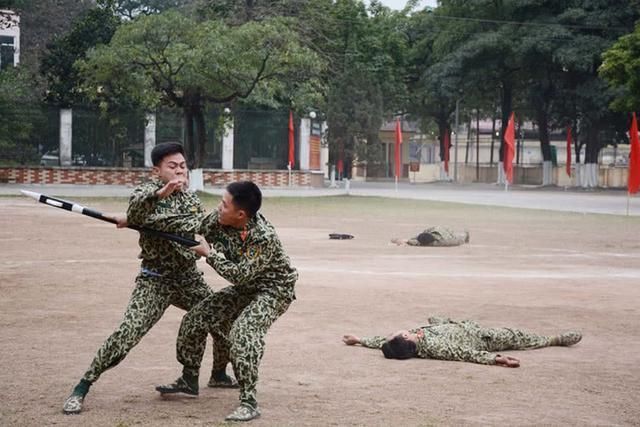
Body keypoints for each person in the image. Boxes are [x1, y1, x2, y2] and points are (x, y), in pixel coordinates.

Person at [62, 142, 233, 415]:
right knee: (127, 334)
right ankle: (83, 386)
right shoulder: (145, 192)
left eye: (183, 166)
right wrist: (150, 203)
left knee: (222, 318)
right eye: (172, 166)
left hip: (188, 277)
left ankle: (214, 375)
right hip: (155, 279)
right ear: (157, 170)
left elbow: (187, 224)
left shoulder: (190, 198)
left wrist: (134, 218)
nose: (179, 171)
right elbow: (143, 211)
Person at [146, 181, 297, 422]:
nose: (218, 207)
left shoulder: (263, 237)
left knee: (243, 333)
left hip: (273, 290)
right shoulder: (219, 219)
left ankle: (249, 401)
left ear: (240, 214)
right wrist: (139, 220)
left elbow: (240, 274)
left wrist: (210, 254)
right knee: (195, 319)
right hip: (247, 288)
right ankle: (189, 378)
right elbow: (188, 224)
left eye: (224, 204)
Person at [342, 316, 582, 367]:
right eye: (396, 334)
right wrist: (496, 359)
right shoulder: (434, 347)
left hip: (459, 325)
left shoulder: (410, 339)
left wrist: (360, 339)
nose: (393, 332)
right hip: (481, 338)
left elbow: (382, 343)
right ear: (404, 337)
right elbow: (464, 353)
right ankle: (555, 340)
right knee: (515, 336)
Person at [391, 226, 469, 247]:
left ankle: (464, 236)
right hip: (435, 230)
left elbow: (457, 241)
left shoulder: (442, 241)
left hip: (447, 233)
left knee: (457, 238)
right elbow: (416, 239)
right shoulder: (426, 233)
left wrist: (464, 238)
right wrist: (402, 241)